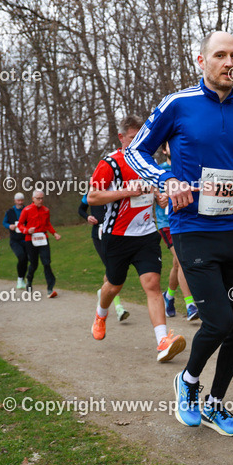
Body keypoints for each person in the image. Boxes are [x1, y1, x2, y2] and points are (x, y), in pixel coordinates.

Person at [125, 30, 233, 436]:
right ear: (201, 61)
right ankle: (188, 382)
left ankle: (215, 404)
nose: (230, 62)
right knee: (218, 320)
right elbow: (135, 152)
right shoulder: (177, 105)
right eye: (220, 55)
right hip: (192, 228)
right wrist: (166, 178)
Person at [87, 115, 187, 362]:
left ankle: (163, 341)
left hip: (146, 234)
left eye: (141, 138)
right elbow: (92, 197)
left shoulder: (148, 161)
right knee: (114, 285)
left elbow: (154, 190)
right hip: (117, 236)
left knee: (152, 284)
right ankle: (101, 313)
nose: (138, 142)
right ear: (121, 138)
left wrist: (160, 197)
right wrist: (126, 191)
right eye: (133, 138)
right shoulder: (110, 163)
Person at [155, 145, 198, 321]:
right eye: (169, 143)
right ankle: (190, 305)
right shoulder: (158, 171)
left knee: (176, 264)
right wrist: (161, 197)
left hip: (187, 221)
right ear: (164, 151)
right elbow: (156, 196)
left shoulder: (189, 167)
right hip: (167, 224)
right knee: (182, 260)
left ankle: (169, 297)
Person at [79, 194, 130, 322]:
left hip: (115, 232)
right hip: (99, 233)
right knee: (111, 268)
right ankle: (119, 308)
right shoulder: (91, 191)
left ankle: (103, 293)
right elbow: (81, 209)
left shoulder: (116, 189)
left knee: (115, 269)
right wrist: (88, 217)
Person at [17, 189, 60, 297]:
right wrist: (27, 230)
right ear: (33, 199)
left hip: (43, 238)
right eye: (38, 198)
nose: (40, 201)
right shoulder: (26, 210)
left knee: (46, 262)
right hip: (30, 240)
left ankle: (50, 288)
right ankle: (29, 280)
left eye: (41, 198)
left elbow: (48, 224)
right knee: (34, 264)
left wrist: (54, 233)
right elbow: (20, 225)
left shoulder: (46, 210)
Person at [3, 193, 30, 290]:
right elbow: (4, 222)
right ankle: (20, 279)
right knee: (21, 257)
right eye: (18, 200)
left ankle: (24, 279)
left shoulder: (28, 210)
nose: (20, 202)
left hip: (27, 239)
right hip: (15, 240)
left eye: (22, 200)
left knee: (27, 259)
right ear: (15, 201)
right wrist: (9, 226)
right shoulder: (9, 211)